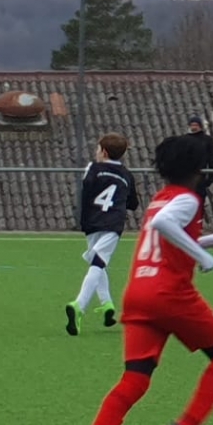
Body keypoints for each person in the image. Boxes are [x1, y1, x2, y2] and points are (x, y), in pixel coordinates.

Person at [64, 135, 213, 425]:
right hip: (170, 294)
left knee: (136, 378)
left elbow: (164, 234)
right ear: (200, 168)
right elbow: (165, 227)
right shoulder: (188, 199)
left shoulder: (161, 198)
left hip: (139, 293)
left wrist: (210, 240)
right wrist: (204, 257)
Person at [65, 134, 140, 336]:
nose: (96, 152)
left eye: (98, 149)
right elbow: (133, 203)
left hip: (92, 222)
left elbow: (86, 190)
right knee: (98, 263)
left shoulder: (93, 168)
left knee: (97, 262)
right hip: (113, 223)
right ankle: (86, 305)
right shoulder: (126, 174)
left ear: (104, 152)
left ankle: (97, 305)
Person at [186, 114, 213, 199]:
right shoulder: (185, 139)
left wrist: (210, 177)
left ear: (200, 126)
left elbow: (211, 159)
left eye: (196, 125)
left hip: (201, 175)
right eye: (192, 125)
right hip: (187, 175)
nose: (194, 127)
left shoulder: (207, 140)